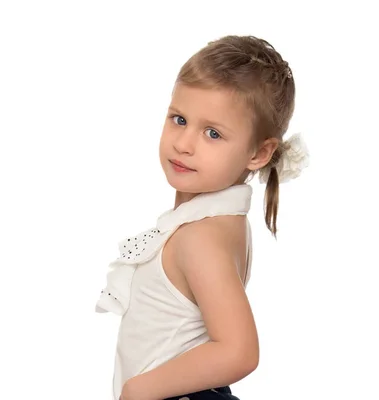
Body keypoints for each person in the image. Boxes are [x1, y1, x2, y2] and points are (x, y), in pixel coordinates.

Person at [95, 35, 309, 400]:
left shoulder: (201, 236)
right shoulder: (214, 222)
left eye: (213, 133)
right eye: (179, 119)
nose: (184, 143)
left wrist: (138, 391)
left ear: (258, 153)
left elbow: (239, 351)